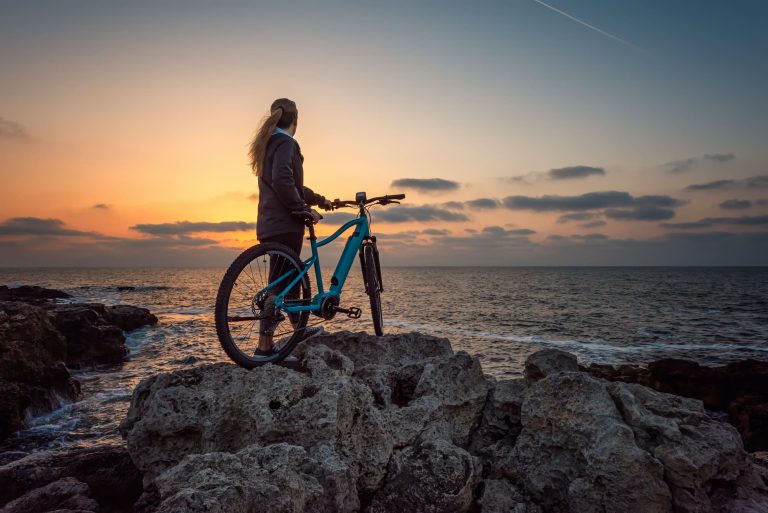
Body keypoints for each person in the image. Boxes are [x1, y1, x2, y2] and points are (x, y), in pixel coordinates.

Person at [248, 98, 330, 356]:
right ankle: (264, 345)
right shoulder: (286, 143)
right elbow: (283, 180)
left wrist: (318, 199)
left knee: (289, 278)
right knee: (277, 286)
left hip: (271, 222)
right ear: (295, 119)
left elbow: (289, 183)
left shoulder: (268, 144)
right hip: (286, 222)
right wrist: (302, 209)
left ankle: (297, 330)